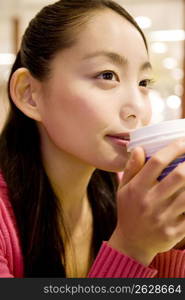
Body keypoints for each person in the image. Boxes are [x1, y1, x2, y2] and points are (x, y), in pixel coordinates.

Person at [0, 0, 185, 278]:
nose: (137, 108)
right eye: (107, 75)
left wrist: (172, 243)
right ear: (29, 94)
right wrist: (132, 247)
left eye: (143, 83)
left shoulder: (129, 195)